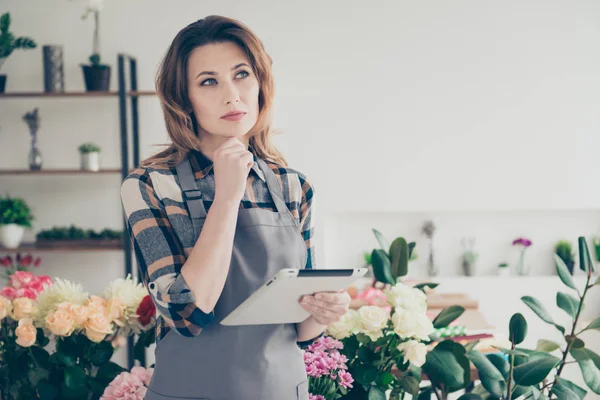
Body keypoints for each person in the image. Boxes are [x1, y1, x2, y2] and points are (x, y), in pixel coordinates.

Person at [120, 15, 351, 400]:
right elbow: (187, 314)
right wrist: (227, 196)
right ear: (184, 99)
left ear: (260, 83)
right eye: (208, 81)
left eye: (241, 74)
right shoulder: (150, 186)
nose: (232, 95)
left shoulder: (293, 186)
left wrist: (324, 311)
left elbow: (299, 327)